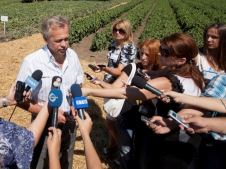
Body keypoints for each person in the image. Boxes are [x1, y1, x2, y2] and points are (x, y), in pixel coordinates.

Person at [82, 33, 205, 169]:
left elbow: (125, 92)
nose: (159, 54)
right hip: (187, 138)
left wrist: (89, 91)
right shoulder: (194, 73)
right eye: (160, 49)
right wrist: (157, 74)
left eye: (164, 52)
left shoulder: (168, 81)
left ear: (181, 60)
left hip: (173, 140)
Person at [15, 15, 84, 169]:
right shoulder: (32, 62)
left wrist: (74, 105)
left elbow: (78, 82)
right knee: (40, 163)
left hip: (70, 124)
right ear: (45, 39)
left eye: (66, 39)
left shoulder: (73, 56)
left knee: (65, 161)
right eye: (58, 40)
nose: (64, 44)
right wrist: (49, 113)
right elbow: (20, 100)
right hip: (43, 126)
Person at [90, 38, 163, 168]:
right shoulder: (132, 68)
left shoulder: (161, 75)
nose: (143, 57)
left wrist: (142, 91)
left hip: (147, 122)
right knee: (125, 152)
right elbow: (114, 89)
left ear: (156, 55)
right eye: (142, 53)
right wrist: (99, 82)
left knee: (143, 155)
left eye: (147, 54)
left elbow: (160, 102)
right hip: (126, 117)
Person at [150, 73, 226, 169]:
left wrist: (207, 124)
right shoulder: (223, 78)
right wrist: (173, 122)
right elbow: (209, 103)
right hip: (217, 147)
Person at [91, 19, 137, 157]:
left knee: (111, 122)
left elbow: (119, 71)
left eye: (121, 30)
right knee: (112, 119)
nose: (117, 32)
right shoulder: (114, 44)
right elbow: (112, 65)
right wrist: (102, 69)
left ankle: (127, 153)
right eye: (115, 29)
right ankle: (113, 147)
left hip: (119, 86)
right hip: (108, 84)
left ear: (127, 32)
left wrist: (105, 68)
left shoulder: (129, 47)